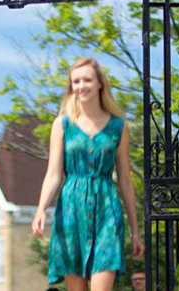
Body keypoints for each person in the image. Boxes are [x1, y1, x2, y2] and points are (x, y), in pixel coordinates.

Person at [32, 58, 144, 291]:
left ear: (100, 83)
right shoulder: (62, 124)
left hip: (107, 210)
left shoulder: (118, 126)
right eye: (76, 81)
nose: (81, 86)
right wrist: (41, 209)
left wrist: (135, 231)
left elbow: (124, 179)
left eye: (87, 80)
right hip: (71, 211)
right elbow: (53, 174)